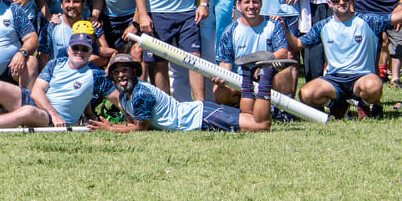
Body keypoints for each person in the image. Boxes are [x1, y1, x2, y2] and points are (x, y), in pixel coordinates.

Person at [0, 22, 116, 131]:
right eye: (76, 48)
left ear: (90, 51)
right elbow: (37, 92)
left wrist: (133, 122)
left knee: (27, 111)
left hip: (53, 120)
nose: (79, 52)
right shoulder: (56, 64)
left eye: (84, 49)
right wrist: (52, 113)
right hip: (45, 108)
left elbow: (120, 98)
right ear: (69, 49)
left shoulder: (95, 75)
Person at [295, 0, 402, 119]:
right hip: (334, 79)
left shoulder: (367, 21)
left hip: (362, 78)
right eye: (336, 0)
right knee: (305, 94)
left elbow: (395, 17)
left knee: (375, 86)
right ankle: (337, 106)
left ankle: (364, 104)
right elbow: (297, 44)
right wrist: (282, 26)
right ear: (329, 3)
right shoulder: (322, 26)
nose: (341, 2)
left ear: (351, 0)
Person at [90, 53, 271, 133]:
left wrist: (111, 128)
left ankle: (267, 73)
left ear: (134, 73)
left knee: (261, 125)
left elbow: (140, 129)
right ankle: (247, 71)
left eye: (125, 70)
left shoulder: (140, 95)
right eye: (116, 72)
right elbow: (133, 123)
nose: (121, 75)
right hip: (199, 114)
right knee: (248, 115)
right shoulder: (125, 94)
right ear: (112, 78)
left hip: (201, 118)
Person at [212, 0, 297, 126]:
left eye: (255, 2)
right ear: (239, 6)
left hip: (267, 77)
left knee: (286, 72)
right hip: (242, 80)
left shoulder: (272, 24)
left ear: (261, 4)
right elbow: (225, 63)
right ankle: (236, 109)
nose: (251, 6)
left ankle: (281, 112)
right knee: (219, 91)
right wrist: (221, 78)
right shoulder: (230, 31)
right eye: (247, 2)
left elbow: (282, 52)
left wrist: (261, 66)